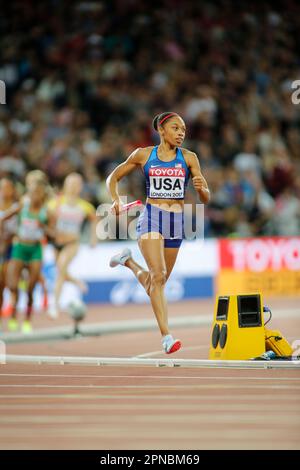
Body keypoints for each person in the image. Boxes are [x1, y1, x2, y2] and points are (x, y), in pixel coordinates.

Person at [107, 112, 210, 354]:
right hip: (152, 217)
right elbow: (113, 177)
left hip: (176, 222)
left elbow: (205, 197)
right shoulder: (144, 154)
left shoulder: (190, 158)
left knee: (158, 282)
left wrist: (202, 190)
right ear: (161, 131)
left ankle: (128, 261)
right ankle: (166, 336)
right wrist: (115, 200)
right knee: (159, 274)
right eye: (175, 128)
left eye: (183, 129)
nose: (181, 133)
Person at [0, 180, 54, 333]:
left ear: (42, 196)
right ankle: (13, 314)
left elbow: (53, 233)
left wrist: (43, 227)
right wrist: (4, 239)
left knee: (31, 289)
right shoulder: (22, 207)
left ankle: (27, 319)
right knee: (11, 285)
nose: (34, 197)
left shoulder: (46, 211)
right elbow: (2, 218)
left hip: (35, 250)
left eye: (37, 193)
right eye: (31, 193)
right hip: (20, 247)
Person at [47, 173, 97, 318]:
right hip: (57, 243)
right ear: (65, 185)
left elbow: (95, 219)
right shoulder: (55, 203)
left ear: (80, 187)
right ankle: (77, 282)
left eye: (77, 184)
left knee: (61, 267)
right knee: (60, 271)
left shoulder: (84, 206)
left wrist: (93, 238)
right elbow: (48, 223)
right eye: (71, 184)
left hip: (73, 242)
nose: (74, 187)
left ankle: (54, 305)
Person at [0, 177, 18, 329]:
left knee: (11, 284)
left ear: (12, 191)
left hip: (13, 248)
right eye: (2, 188)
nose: (4, 191)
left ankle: (13, 315)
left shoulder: (17, 207)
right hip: (1, 248)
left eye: (7, 188)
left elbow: (21, 228)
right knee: (1, 284)